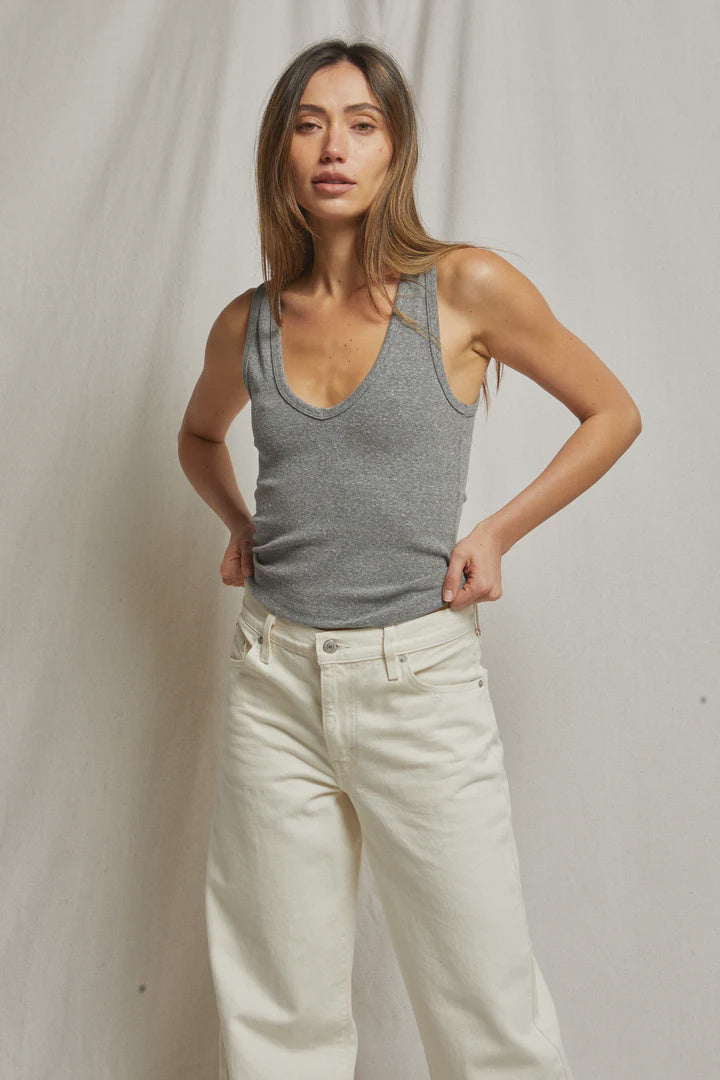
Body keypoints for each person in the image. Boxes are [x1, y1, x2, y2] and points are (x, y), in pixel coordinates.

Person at [177, 37, 641, 1080]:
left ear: (396, 151)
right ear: (281, 153)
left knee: (486, 1012)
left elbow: (613, 412)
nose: (333, 146)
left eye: (361, 123)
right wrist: (239, 522)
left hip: (419, 682)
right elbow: (196, 438)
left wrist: (497, 531)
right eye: (308, 123)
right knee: (278, 1016)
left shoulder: (462, 287)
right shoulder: (247, 326)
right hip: (273, 682)